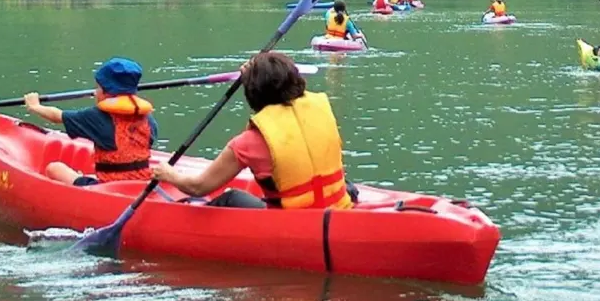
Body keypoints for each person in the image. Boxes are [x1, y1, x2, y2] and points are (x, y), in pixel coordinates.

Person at [153, 51, 355, 210]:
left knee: (231, 197)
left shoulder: (249, 142)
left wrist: (169, 174)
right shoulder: (318, 109)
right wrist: (257, 73)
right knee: (347, 186)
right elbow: (284, 86)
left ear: (253, 93)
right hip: (335, 208)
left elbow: (198, 187)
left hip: (291, 221)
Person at [23, 57, 158, 186]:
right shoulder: (148, 119)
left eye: (98, 88)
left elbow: (57, 116)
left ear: (106, 92)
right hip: (141, 184)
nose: (95, 92)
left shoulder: (96, 117)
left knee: (55, 168)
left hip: (108, 186)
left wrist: (35, 106)